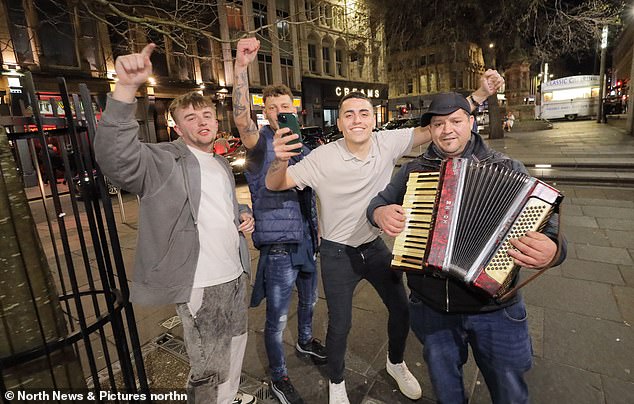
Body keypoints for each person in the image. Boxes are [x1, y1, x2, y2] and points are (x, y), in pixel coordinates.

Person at [266, 74, 504, 403]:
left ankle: (395, 363)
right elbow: (275, 184)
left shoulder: (387, 142)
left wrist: (479, 93)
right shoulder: (322, 158)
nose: (357, 119)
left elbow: (438, 127)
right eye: (348, 114)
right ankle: (337, 383)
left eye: (364, 113)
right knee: (340, 325)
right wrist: (279, 159)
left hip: (375, 247)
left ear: (373, 118)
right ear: (341, 122)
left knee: (402, 309)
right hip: (337, 253)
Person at [366, 92, 567, 404]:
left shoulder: (507, 167)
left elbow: (553, 232)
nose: (447, 130)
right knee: (448, 394)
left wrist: (553, 251)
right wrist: (380, 213)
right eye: (438, 123)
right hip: (433, 309)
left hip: (495, 309)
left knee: (510, 393)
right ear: (430, 130)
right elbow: (378, 203)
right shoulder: (413, 171)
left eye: (456, 121)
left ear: (471, 123)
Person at [94, 43, 257, 404]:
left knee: (235, 343)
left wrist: (242, 216)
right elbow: (115, 158)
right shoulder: (163, 160)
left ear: (217, 120)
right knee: (207, 364)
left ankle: (228, 397)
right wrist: (124, 89)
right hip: (201, 282)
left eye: (207, 115)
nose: (202, 122)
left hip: (234, 273)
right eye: (191, 118)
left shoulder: (218, 162)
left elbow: (225, 207)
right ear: (176, 126)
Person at [232, 37, 325, 404]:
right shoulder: (259, 144)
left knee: (310, 302)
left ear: (295, 110)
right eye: (272, 107)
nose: (279, 111)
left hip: (307, 239)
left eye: (285, 106)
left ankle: (305, 343)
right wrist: (241, 69)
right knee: (277, 318)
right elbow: (240, 117)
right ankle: (278, 376)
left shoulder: (305, 144)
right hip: (278, 246)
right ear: (266, 113)